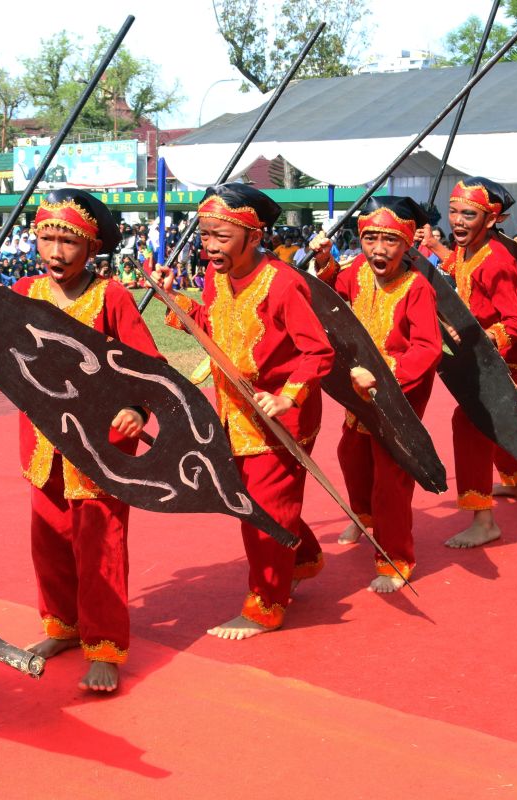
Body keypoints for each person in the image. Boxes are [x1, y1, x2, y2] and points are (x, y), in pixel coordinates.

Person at [0, 189, 162, 693]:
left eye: (68, 241)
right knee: (49, 541)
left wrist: (137, 409)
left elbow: (151, 367)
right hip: (42, 442)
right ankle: (64, 627)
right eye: (47, 238)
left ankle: (106, 647)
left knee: (101, 546)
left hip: (102, 445)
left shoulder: (112, 296)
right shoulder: (25, 290)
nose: (56, 252)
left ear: (91, 246)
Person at [152, 183, 334, 639]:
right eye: (206, 235)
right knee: (259, 501)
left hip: (280, 418)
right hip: (232, 411)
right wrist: (172, 301)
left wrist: (288, 395)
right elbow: (213, 326)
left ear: (253, 237)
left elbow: (318, 352)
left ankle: (267, 605)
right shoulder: (216, 277)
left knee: (263, 508)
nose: (210, 246)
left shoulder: (285, 283)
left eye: (220, 236)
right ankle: (305, 558)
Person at [311, 197, 442, 591]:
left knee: (391, 478)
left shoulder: (417, 286)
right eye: (370, 239)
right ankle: (365, 521)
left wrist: (387, 379)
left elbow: (427, 349)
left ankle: (396, 558)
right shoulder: (358, 271)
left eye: (389, 241)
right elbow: (334, 290)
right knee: (350, 457)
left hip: (399, 394)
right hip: (357, 387)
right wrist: (324, 260)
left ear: (407, 245)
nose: (378, 250)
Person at [419, 178, 517, 547]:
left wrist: (485, 340)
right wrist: (435, 246)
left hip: (511, 350)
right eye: (453, 211)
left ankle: (484, 519)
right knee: (491, 417)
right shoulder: (470, 248)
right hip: (483, 345)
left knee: (471, 419)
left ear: (491, 220)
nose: (457, 220)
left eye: (468, 214)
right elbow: (458, 267)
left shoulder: (497, 262)